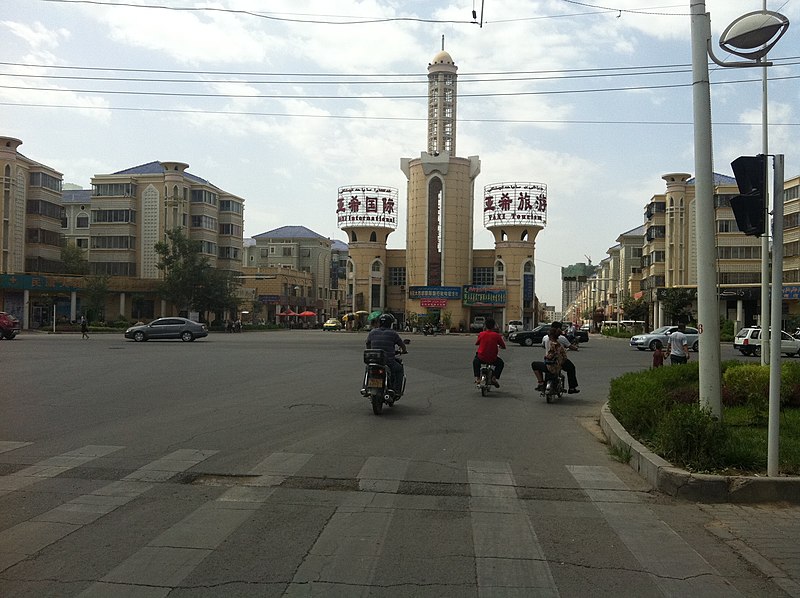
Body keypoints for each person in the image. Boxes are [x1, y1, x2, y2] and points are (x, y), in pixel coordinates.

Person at [531, 321, 580, 393]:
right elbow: (566, 352)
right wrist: (575, 349)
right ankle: (572, 388)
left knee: (534, 364)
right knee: (571, 368)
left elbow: (544, 347)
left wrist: (547, 357)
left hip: (549, 364)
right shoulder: (560, 341)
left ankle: (541, 383)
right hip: (558, 364)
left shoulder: (545, 338)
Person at [366, 314, 407, 396]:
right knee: (399, 370)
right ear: (390, 323)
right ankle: (397, 390)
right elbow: (401, 345)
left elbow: (368, 344)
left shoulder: (372, 332)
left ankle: (366, 386)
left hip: (374, 360)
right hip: (388, 361)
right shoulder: (393, 333)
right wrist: (404, 351)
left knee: (368, 370)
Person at [473, 317, 506, 387]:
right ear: (494, 326)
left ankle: (478, 378)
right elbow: (503, 346)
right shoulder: (497, 335)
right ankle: (494, 378)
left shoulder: (481, 334)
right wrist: (500, 347)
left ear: (485, 326)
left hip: (481, 357)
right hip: (492, 358)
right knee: (501, 363)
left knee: (475, 361)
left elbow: (477, 343)